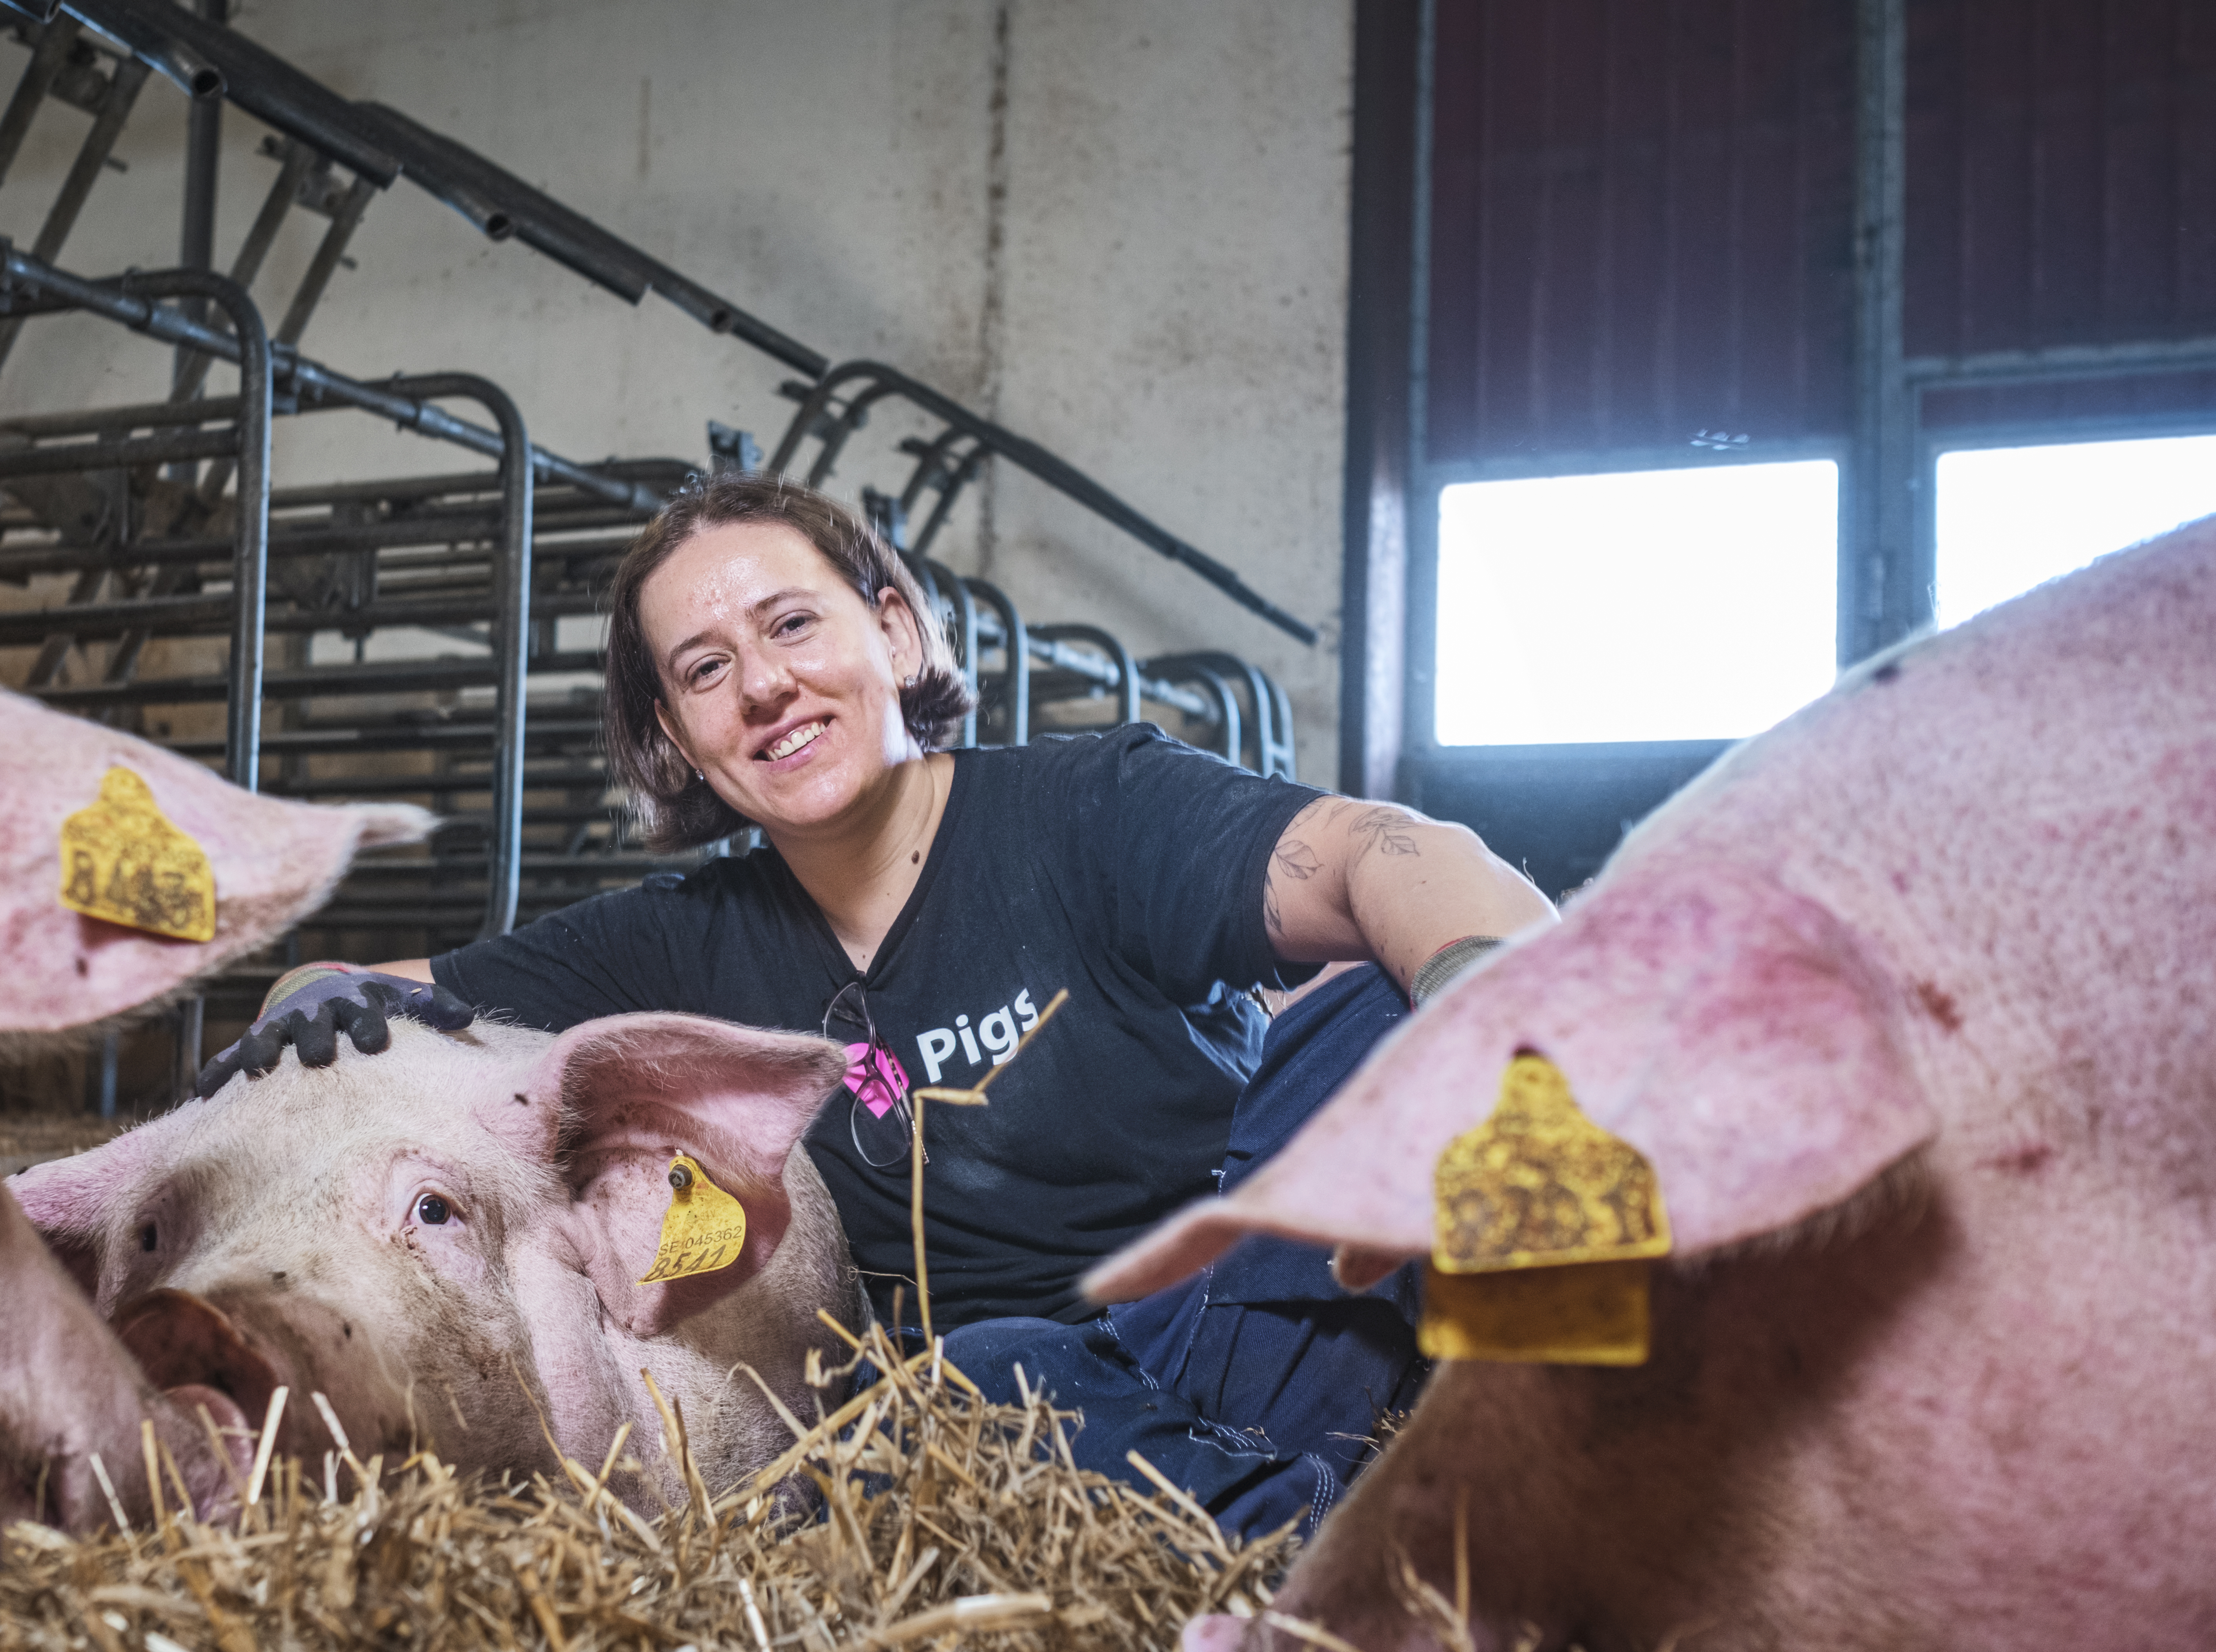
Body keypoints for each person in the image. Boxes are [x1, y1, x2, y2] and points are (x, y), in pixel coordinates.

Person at [374, 472, 1553, 1539]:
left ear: (892, 632)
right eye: (705, 669)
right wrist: (312, 997)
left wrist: (1482, 1013)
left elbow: (1387, 851)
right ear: (676, 739)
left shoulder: (1090, 810)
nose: (766, 684)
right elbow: (372, 994)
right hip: (1032, 1418)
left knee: (1409, 1011)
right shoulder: (675, 942)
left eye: (792, 624)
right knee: (943, 1400)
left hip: (1263, 1308)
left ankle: (1562, 1430)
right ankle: (1370, 1554)